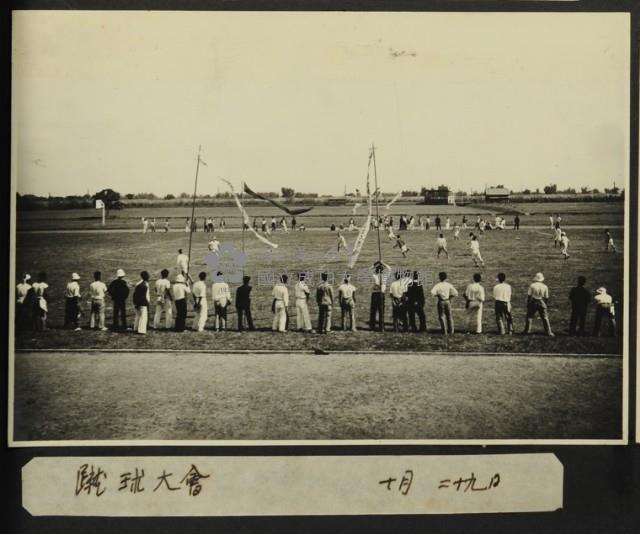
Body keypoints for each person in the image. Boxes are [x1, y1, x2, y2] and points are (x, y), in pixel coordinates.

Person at [370, 261, 390, 331]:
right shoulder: (375, 276)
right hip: (376, 293)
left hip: (381, 294)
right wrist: (376, 263)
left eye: (380, 269)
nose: (379, 270)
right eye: (378, 269)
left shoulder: (384, 276)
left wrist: (382, 263)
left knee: (381, 311)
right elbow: (369, 269)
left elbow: (389, 269)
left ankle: (381, 327)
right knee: (374, 310)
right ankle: (372, 326)